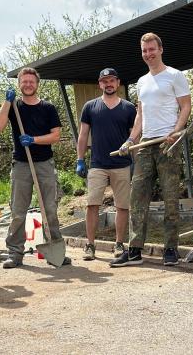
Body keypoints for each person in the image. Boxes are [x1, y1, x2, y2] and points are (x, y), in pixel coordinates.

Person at [110, 33, 191, 268]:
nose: (148, 54)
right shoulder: (142, 81)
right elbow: (140, 115)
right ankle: (134, 250)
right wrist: (130, 139)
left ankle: (170, 249)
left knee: (170, 198)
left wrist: (175, 132)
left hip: (168, 143)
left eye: (152, 49)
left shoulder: (175, 76)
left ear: (161, 49)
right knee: (138, 197)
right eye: (144, 50)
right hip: (145, 144)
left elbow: (185, 107)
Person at [0, 67, 69, 268]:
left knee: (50, 209)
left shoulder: (48, 108)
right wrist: (7, 101)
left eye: (31, 81)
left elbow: (56, 136)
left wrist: (33, 139)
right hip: (21, 165)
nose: (28, 84)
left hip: (44, 164)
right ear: (19, 84)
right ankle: (15, 253)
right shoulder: (14, 106)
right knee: (18, 211)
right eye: (24, 81)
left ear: (37, 84)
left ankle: (56, 250)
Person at [76, 68, 137, 260]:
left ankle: (119, 245)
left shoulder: (128, 107)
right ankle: (90, 245)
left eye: (112, 80)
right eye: (105, 81)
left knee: (122, 206)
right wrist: (80, 159)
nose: (108, 84)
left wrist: (134, 160)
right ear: (100, 84)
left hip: (122, 164)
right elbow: (83, 135)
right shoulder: (90, 107)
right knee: (92, 205)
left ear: (118, 83)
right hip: (98, 164)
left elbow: (134, 135)